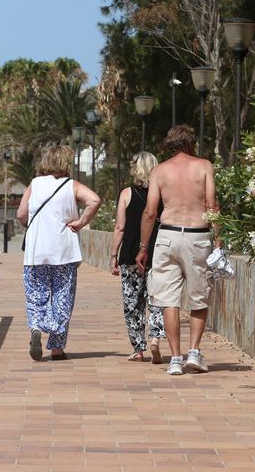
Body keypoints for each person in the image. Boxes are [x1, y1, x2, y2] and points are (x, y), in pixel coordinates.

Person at [135, 125, 219, 376]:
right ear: (191, 142)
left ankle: (175, 359)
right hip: (197, 236)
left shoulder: (159, 171)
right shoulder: (204, 166)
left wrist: (143, 247)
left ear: (169, 145)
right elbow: (211, 204)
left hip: (168, 236)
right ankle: (194, 352)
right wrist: (219, 239)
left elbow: (150, 212)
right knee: (198, 297)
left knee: (168, 300)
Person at [17, 145, 101, 361]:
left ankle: (36, 326)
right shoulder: (71, 185)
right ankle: (56, 348)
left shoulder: (34, 184)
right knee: (63, 297)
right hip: (64, 250)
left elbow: (21, 214)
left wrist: (33, 227)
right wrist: (81, 222)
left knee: (36, 294)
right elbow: (94, 200)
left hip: (36, 252)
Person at [110, 152, 165, 363]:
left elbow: (120, 227)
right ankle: (155, 339)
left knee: (132, 302)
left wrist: (113, 255)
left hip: (131, 255)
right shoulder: (161, 194)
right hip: (157, 253)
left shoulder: (126, 193)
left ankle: (138, 349)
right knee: (157, 299)